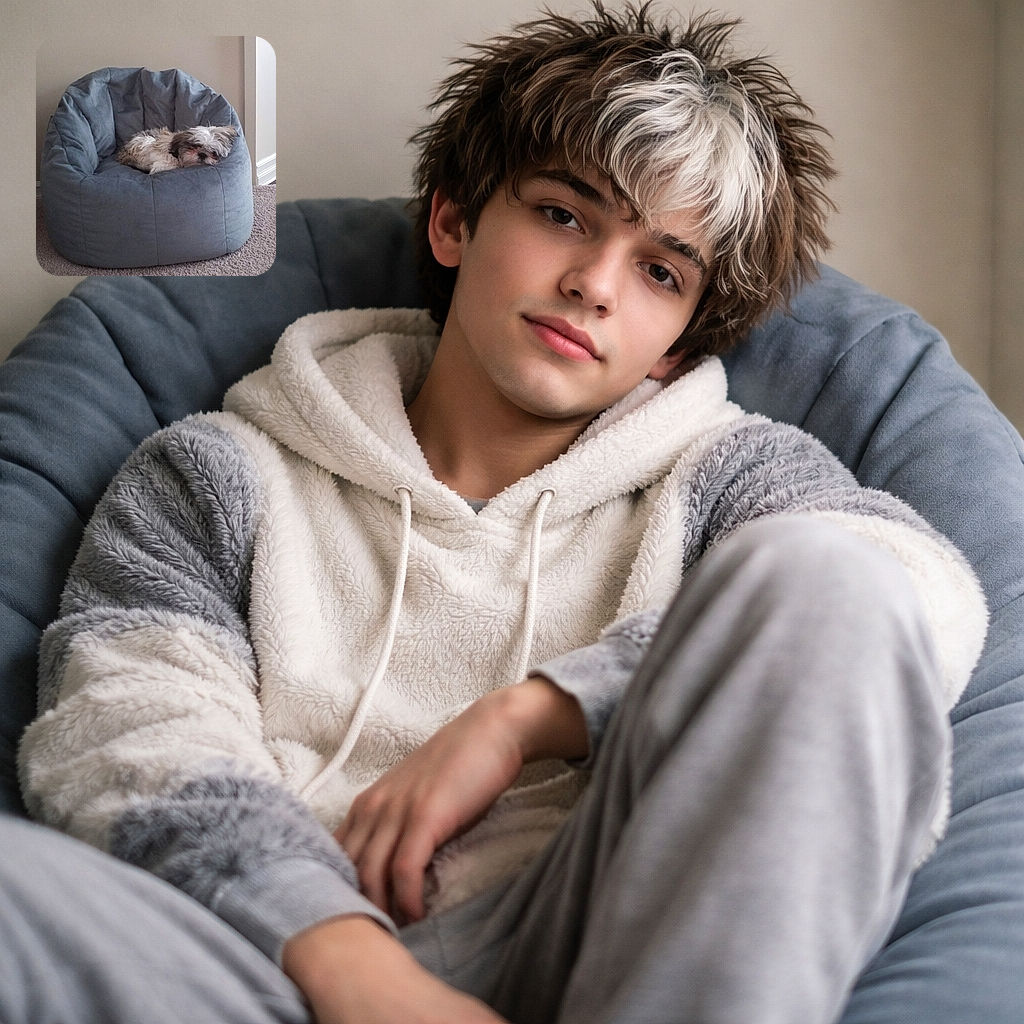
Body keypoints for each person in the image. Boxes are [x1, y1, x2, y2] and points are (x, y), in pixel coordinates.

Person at [12, 4, 986, 1023]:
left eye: (659, 270)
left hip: (601, 945)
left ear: (675, 344)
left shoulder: (728, 473)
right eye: (564, 214)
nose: (592, 285)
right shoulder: (215, 471)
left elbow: (910, 596)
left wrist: (535, 713)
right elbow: (123, 728)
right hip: (275, 957)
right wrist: (356, 970)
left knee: (826, 581)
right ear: (452, 221)